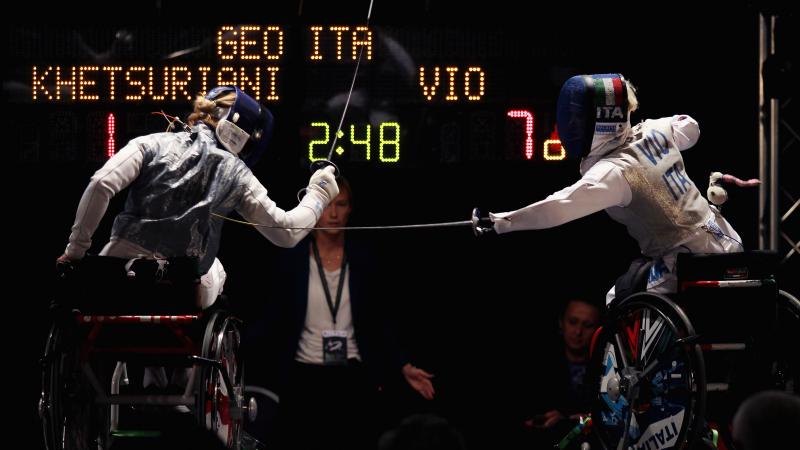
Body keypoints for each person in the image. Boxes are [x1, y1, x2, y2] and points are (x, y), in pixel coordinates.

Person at [57, 85, 339, 308]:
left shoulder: (151, 143)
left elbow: (100, 183)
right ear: (240, 136)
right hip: (182, 285)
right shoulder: (237, 174)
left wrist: (75, 252)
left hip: (117, 277)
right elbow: (286, 232)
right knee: (215, 269)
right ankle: (185, 375)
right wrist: (318, 193)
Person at [474, 73, 743, 303]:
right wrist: (662, 130)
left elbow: (559, 207)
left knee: (617, 298)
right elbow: (691, 128)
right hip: (729, 241)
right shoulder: (656, 129)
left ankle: (662, 364)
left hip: (684, 264)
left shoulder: (614, 172)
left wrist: (501, 222)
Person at [257, 178, 435, 449]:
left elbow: (378, 321)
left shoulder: (363, 259)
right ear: (313, 209)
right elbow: (273, 319)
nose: (334, 213)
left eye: (341, 204)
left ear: (351, 209)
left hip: (352, 378)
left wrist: (403, 365)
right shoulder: (291, 260)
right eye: (327, 205)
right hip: (304, 376)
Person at [523, 297, 601, 446]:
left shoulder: (605, 367)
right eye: (573, 322)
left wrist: (567, 419)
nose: (578, 332)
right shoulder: (538, 366)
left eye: (588, 325)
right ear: (561, 323)